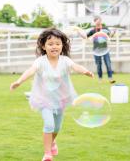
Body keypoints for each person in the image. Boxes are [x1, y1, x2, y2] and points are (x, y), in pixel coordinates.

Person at [10, 28, 94, 161]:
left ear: (62, 45)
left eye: (57, 43)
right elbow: (31, 70)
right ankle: (47, 154)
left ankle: (52, 142)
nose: (54, 46)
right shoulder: (40, 62)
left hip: (60, 99)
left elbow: (76, 66)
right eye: (50, 44)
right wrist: (19, 81)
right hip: (44, 99)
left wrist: (85, 72)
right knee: (49, 124)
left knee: (57, 127)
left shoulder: (65, 60)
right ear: (43, 46)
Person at [83, 16, 116, 84]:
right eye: (97, 21)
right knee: (99, 65)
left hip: (105, 50)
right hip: (96, 51)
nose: (98, 22)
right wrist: (81, 33)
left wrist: (113, 32)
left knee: (108, 64)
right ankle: (100, 79)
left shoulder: (105, 29)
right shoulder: (92, 31)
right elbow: (86, 36)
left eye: (99, 20)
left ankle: (110, 79)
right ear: (95, 22)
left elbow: (110, 36)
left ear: (101, 21)